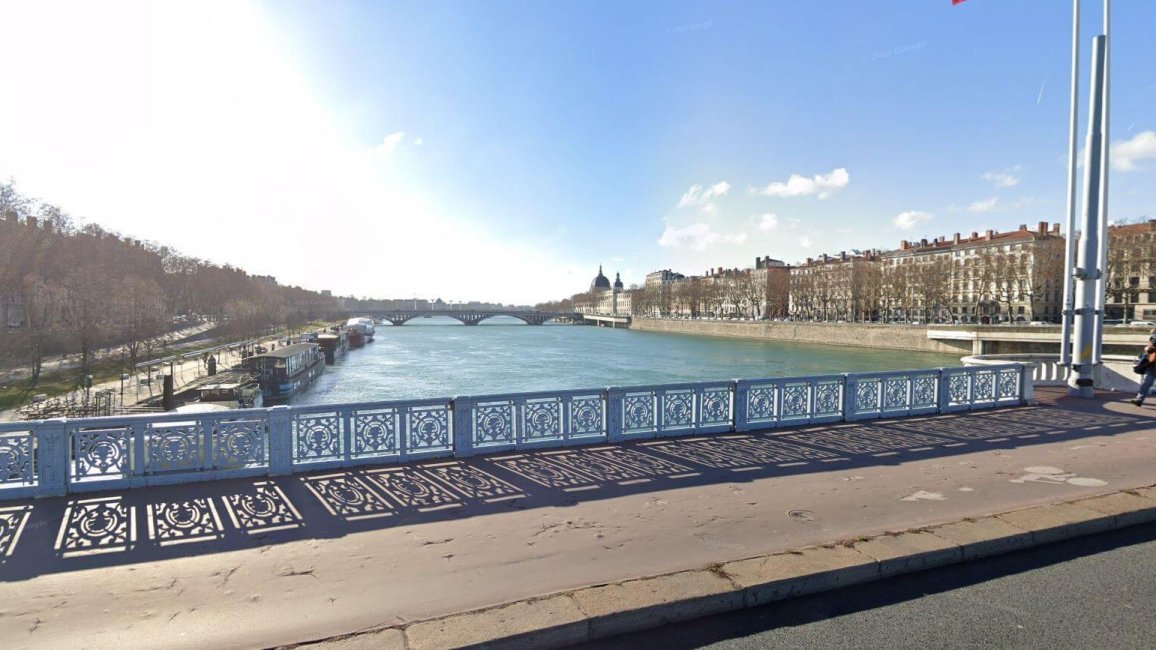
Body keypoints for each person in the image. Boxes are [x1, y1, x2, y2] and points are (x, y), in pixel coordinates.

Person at [1132, 328, 1156, 407]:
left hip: (1152, 364)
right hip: (1152, 364)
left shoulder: (1153, 337)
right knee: (1146, 382)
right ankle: (1139, 399)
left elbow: (1150, 349)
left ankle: (1139, 399)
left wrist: (1147, 349)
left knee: (1146, 382)